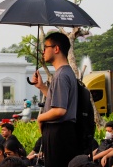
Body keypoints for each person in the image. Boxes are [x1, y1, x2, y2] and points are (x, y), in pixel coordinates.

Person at [31, 32, 78, 167]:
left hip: (59, 131)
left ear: (56, 49)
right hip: (63, 131)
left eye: (45, 47)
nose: (43, 51)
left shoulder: (61, 75)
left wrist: (40, 118)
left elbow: (59, 110)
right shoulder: (65, 72)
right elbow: (57, 99)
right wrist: (41, 87)